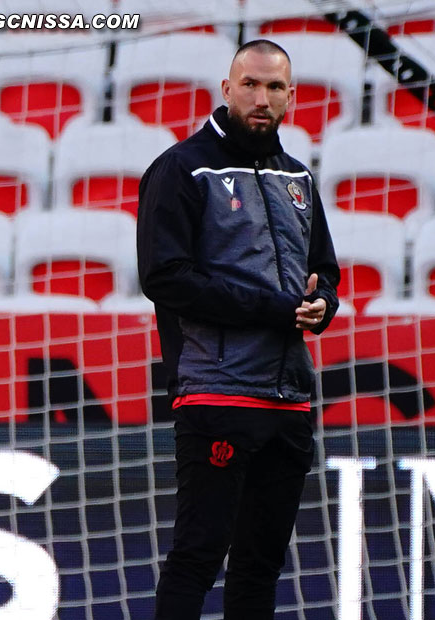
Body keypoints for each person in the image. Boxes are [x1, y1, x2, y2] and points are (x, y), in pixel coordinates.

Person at [137, 39, 340, 620]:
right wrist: (274, 308)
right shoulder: (181, 168)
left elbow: (323, 268)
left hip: (289, 399)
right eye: (250, 84)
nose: (261, 97)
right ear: (226, 90)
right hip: (216, 389)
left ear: (291, 97)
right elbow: (165, 277)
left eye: (274, 87)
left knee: (261, 565)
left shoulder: (299, 176)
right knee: (199, 555)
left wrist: (321, 303)